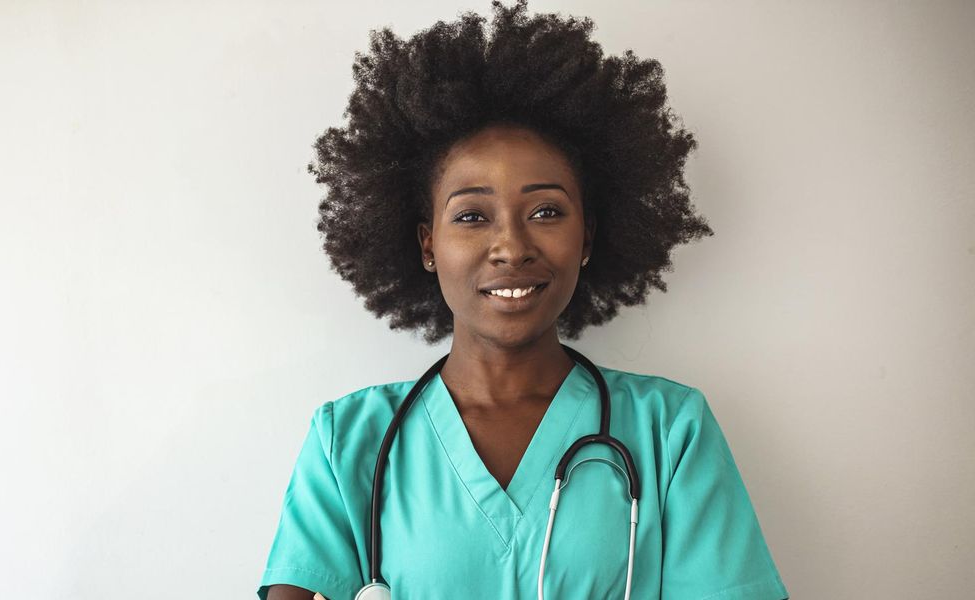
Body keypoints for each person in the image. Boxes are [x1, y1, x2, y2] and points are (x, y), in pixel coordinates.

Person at [258, 1, 788, 598]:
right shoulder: (346, 442)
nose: (511, 246)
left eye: (545, 211)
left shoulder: (672, 431)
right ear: (427, 245)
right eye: (472, 215)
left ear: (586, 236)